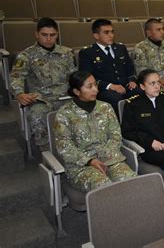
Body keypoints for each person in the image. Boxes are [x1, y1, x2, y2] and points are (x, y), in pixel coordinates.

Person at [54, 71, 136, 192]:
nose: (96, 90)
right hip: (81, 166)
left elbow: (115, 136)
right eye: (89, 86)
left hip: (110, 159)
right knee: (104, 188)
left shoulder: (105, 107)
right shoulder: (64, 114)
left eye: (95, 85)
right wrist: (90, 161)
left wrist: (105, 155)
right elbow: (64, 147)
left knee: (131, 182)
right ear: (77, 91)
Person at [10, 17, 75, 152]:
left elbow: (74, 77)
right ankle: (46, 151)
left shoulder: (67, 53)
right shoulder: (26, 55)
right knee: (36, 115)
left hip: (66, 97)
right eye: (44, 35)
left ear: (57, 34)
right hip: (42, 99)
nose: (49, 39)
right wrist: (19, 93)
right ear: (37, 34)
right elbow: (16, 76)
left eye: (53, 35)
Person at [78, 19, 138, 115]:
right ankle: (121, 127)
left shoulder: (120, 48)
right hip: (104, 89)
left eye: (112, 32)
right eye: (106, 32)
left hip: (125, 86)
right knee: (115, 98)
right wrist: (110, 86)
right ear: (96, 35)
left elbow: (130, 68)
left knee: (141, 92)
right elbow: (86, 77)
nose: (111, 35)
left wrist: (132, 80)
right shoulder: (88, 52)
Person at [130, 18, 164, 93]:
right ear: (148, 33)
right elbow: (142, 73)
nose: (162, 32)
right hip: (155, 84)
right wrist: (158, 80)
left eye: (163, 29)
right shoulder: (140, 48)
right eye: (158, 30)